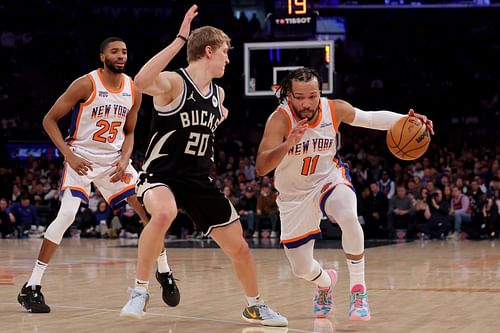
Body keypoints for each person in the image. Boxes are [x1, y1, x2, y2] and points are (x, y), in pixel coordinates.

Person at [120, 5, 287, 327]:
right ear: (208, 51)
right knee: (164, 213)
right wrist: (182, 38)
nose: (228, 59)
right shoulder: (173, 82)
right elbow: (140, 82)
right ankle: (139, 290)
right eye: (225, 52)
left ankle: (255, 306)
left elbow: (215, 115)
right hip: (161, 175)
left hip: (198, 179)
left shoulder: (218, 93)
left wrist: (219, 116)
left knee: (240, 249)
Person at [255, 67, 434, 321]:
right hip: (294, 196)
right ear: (289, 95)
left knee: (348, 215)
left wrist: (409, 120)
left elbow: (370, 119)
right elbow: (261, 166)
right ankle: (325, 283)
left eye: (312, 96)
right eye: (300, 97)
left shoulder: (333, 109)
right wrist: (288, 144)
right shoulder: (280, 120)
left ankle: (358, 290)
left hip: (329, 178)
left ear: (321, 92)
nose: (306, 103)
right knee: (301, 268)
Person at [17, 37, 178, 313]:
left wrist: (126, 157)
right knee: (66, 215)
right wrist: (69, 155)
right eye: (114, 51)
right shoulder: (86, 84)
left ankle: (164, 271)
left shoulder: (133, 89)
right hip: (82, 157)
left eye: (124, 51)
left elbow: (129, 133)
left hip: (115, 161)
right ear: (102, 57)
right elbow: (49, 120)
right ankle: (32, 287)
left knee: (150, 214)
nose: (121, 55)